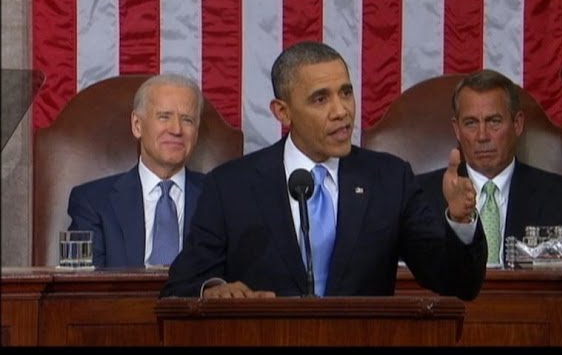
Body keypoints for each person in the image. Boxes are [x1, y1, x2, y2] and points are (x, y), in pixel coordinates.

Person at [161, 41, 487, 300]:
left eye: (346, 92)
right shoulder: (231, 186)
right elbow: (181, 286)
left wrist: (461, 221)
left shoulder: (389, 179)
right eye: (320, 99)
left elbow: (456, 284)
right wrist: (215, 290)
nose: (341, 111)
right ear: (283, 112)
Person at [417, 69, 562, 266]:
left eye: (494, 121)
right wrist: (457, 222)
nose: (482, 136)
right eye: (471, 123)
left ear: (517, 124)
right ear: (457, 130)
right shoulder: (419, 196)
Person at [67, 74, 206, 268]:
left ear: (196, 132)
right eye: (164, 116)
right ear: (137, 125)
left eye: (187, 120)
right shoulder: (92, 202)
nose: (176, 129)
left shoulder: (221, 197)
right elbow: (82, 283)